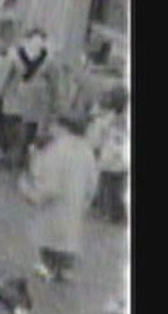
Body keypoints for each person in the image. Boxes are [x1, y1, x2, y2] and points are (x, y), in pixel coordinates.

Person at [21, 108, 99, 283]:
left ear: (63, 127)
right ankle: (64, 268)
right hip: (75, 204)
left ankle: (49, 266)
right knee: (68, 237)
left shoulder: (56, 149)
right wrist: (86, 200)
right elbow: (93, 180)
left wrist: (30, 192)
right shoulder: (86, 151)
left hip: (54, 204)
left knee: (50, 236)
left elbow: (46, 180)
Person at [3, 28, 61, 168]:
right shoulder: (15, 56)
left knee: (26, 132)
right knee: (12, 129)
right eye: (33, 40)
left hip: (35, 101)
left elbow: (54, 83)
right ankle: (13, 154)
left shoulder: (48, 60)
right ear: (27, 40)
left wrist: (55, 102)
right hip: (14, 98)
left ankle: (16, 159)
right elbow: (6, 76)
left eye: (40, 41)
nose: (36, 44)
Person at [88, 87, 130, 224]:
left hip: (112, 157)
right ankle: (107, 209)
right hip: (114, 157)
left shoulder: (109, 118)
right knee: (110, 185)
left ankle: (111, 211)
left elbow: (98, 135)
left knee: (110, 186)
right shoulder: (113, 118)